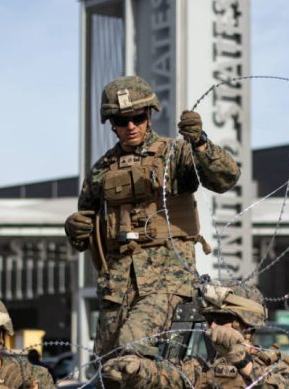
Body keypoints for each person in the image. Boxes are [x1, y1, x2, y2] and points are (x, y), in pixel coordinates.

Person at [64, 76, 240, 359]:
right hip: (117, 289)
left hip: (167, 282)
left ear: (148, 114)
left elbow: (226, 178)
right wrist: (74, 228)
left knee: (134, 350)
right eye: (122, 120)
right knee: (109, 367)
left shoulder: (175, 153)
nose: (130, 126)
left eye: (136, 117)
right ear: (111, 123)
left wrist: (201, 143)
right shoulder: (101, 170)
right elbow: (85, 234)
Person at [101, 281, 289, 388]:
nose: (212, 326)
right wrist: (136, 370)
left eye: (221, 319)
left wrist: (242, 360)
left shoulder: (276, 369)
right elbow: (163, 377)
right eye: (209, 319)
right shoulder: (200, 368)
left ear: (247, 325)